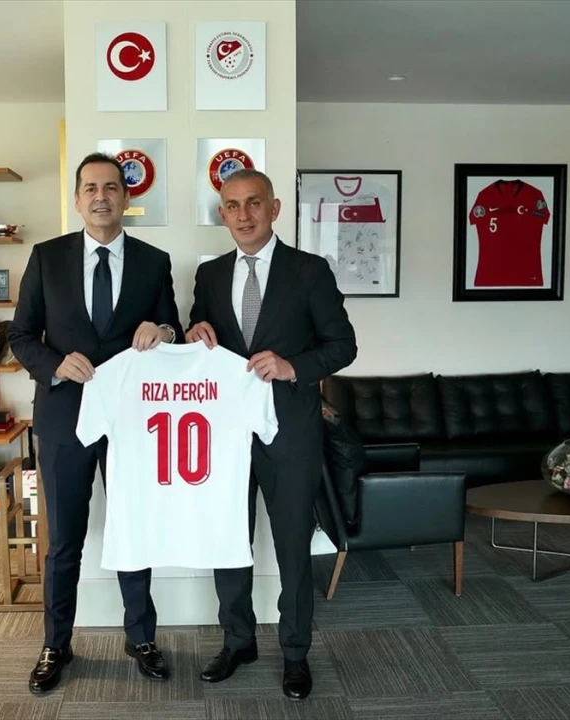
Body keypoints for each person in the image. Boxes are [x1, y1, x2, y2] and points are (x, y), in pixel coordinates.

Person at [7, 152, 182, 694]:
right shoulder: (47, 257)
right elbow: (20, 336)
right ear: (77, 199)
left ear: (126, 198)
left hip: (133, 420)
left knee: (133, 530)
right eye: (91, 188)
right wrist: (55, 365)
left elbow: (173, 326)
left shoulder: (154, 261)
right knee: (64, 540)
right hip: (64, 416)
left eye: (111, 187)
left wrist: (163, 332)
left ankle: (141, 638)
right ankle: (55, 643)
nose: (101, 196)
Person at [186, 169, 357, 701]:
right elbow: (201, 338)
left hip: (291, 432)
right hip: (225, 435)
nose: (244, 215)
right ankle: (237, 642)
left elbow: (343, 345)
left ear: (275, 208)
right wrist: (194, 332)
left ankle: (296, 652)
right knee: (228, 542)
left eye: (254, 203)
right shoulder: (209, 274)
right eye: (233, 206)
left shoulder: (309, 271)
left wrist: (292, 367)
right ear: (223, 214)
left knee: (292, 548)